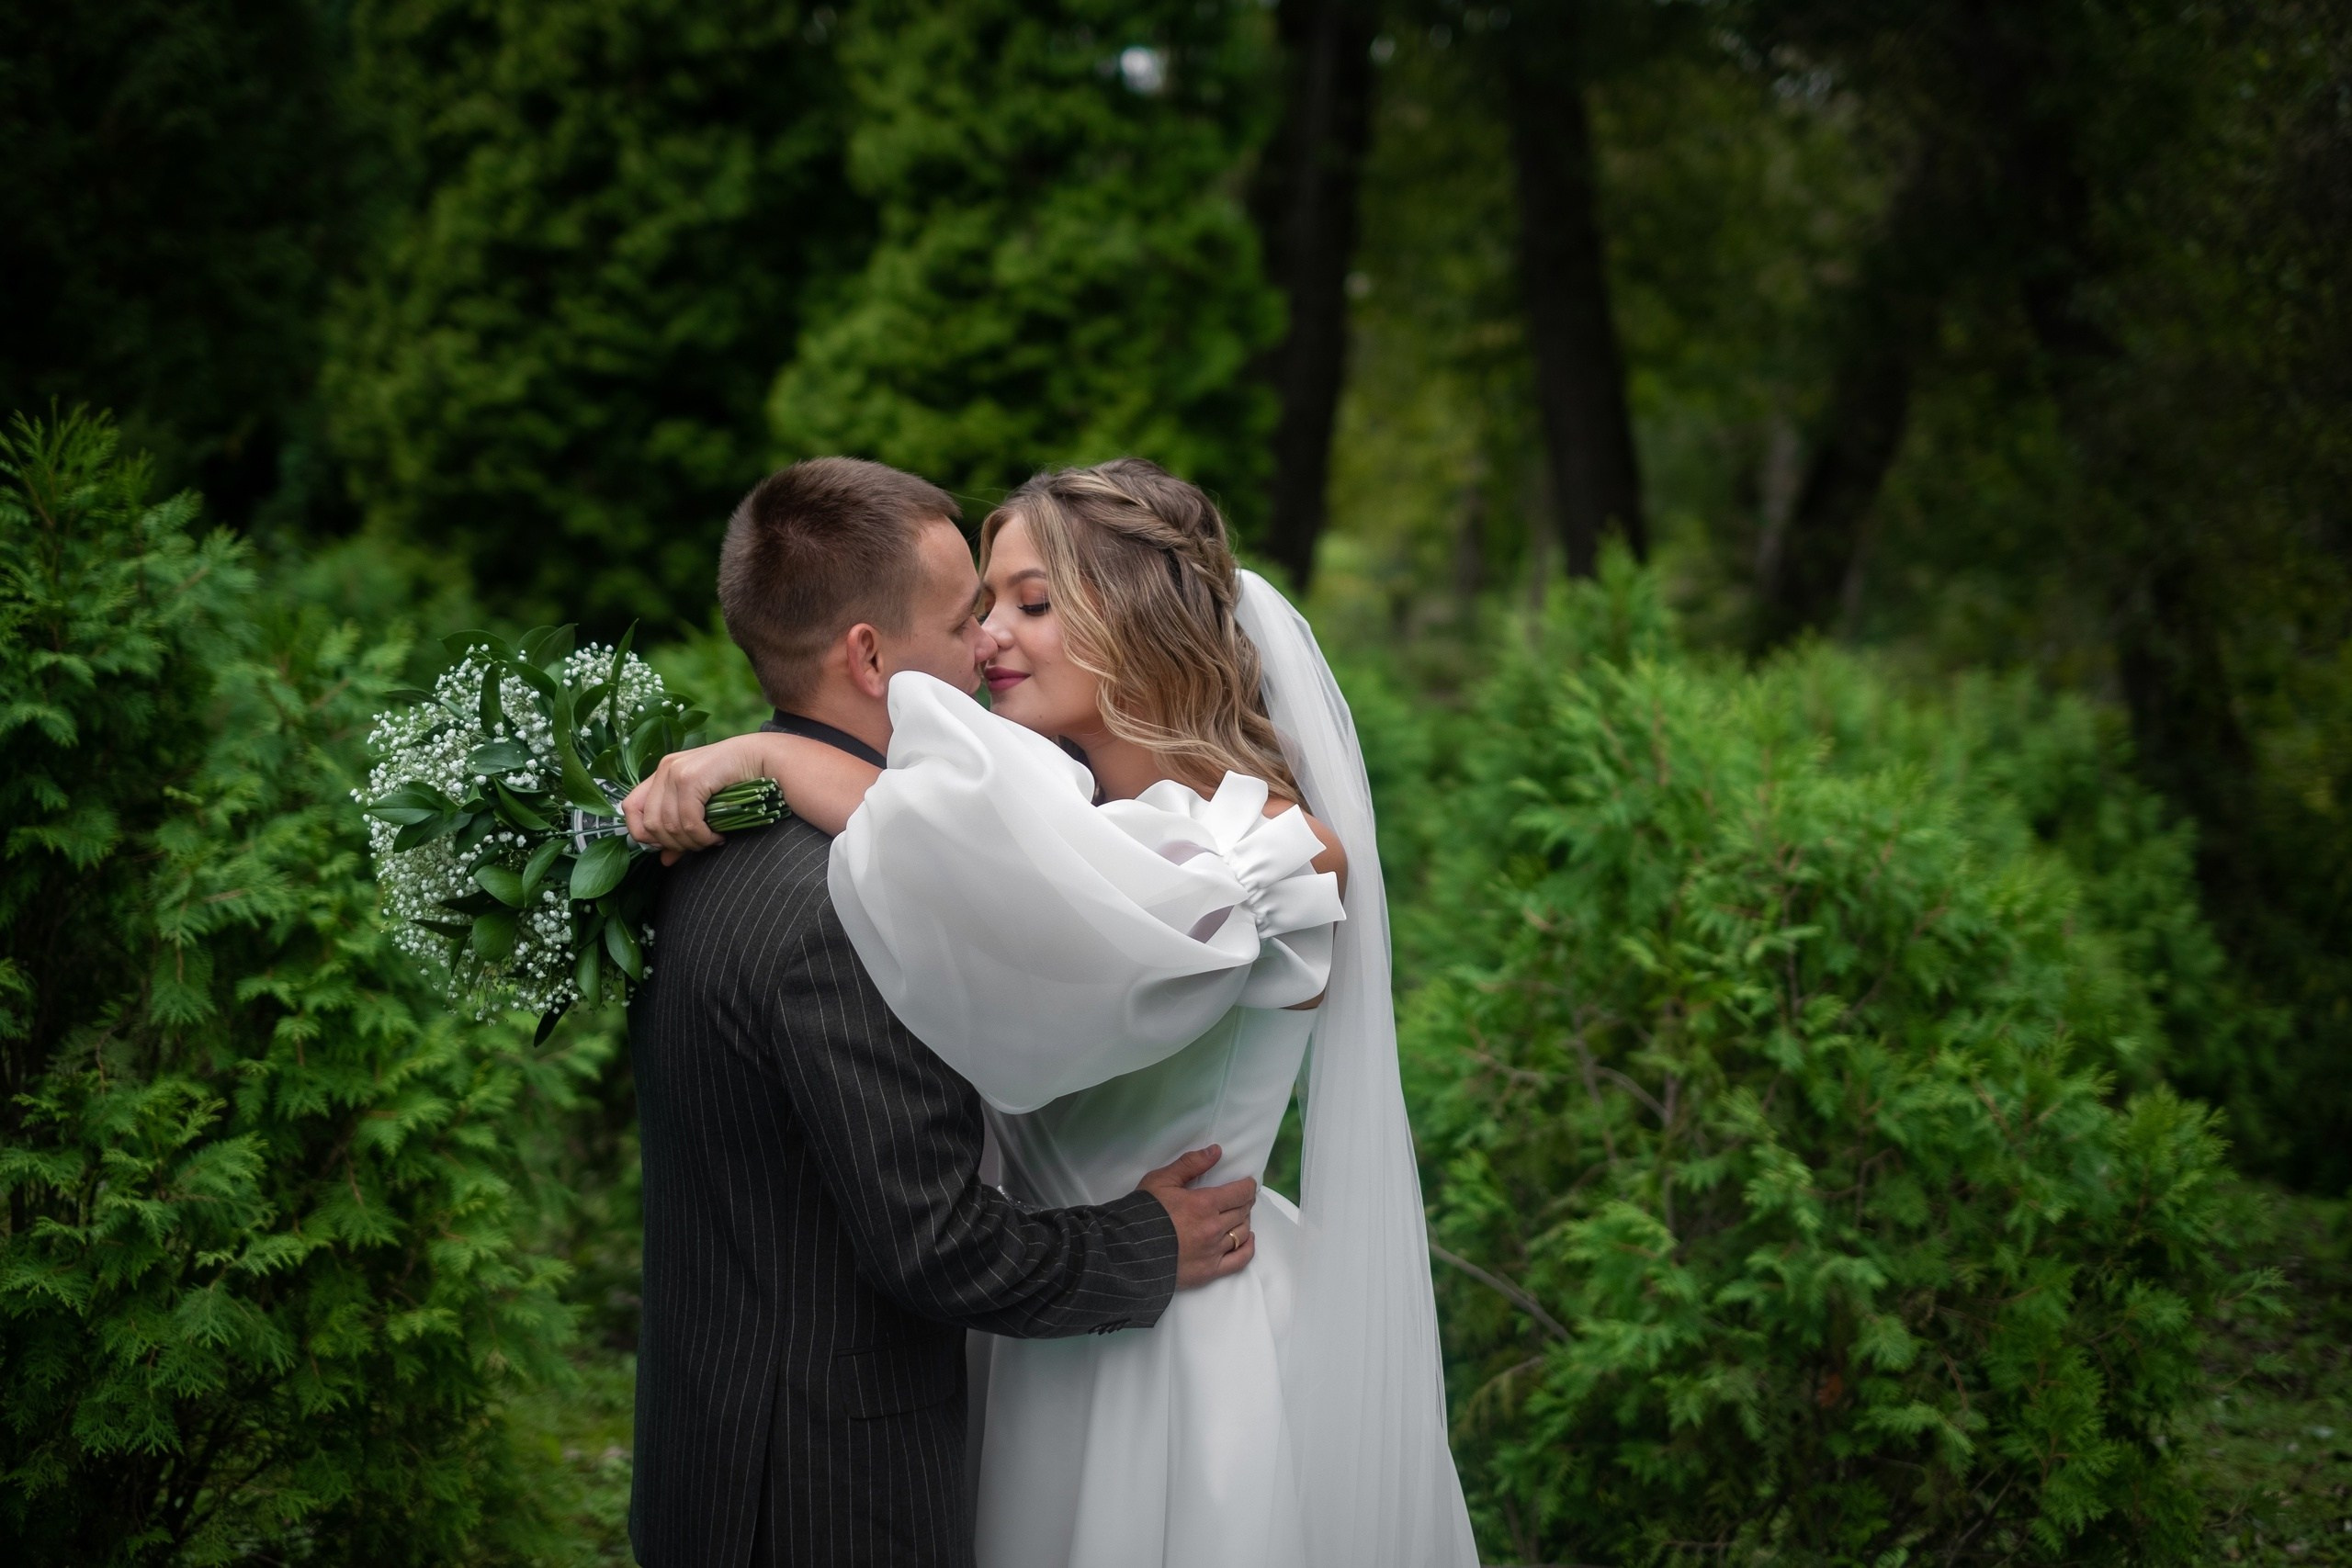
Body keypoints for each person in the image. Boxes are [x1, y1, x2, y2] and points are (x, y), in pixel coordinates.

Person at [629, 457, 1478, 1567]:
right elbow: (985, 862)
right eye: (983, 606)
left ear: (1137, 622)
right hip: (1034, 1321)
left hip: (1177, 1338)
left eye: (1031, 603)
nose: (987, 637)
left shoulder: (1271, 851)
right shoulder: (1050, 817)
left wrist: (771, 754)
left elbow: (1046, 901)